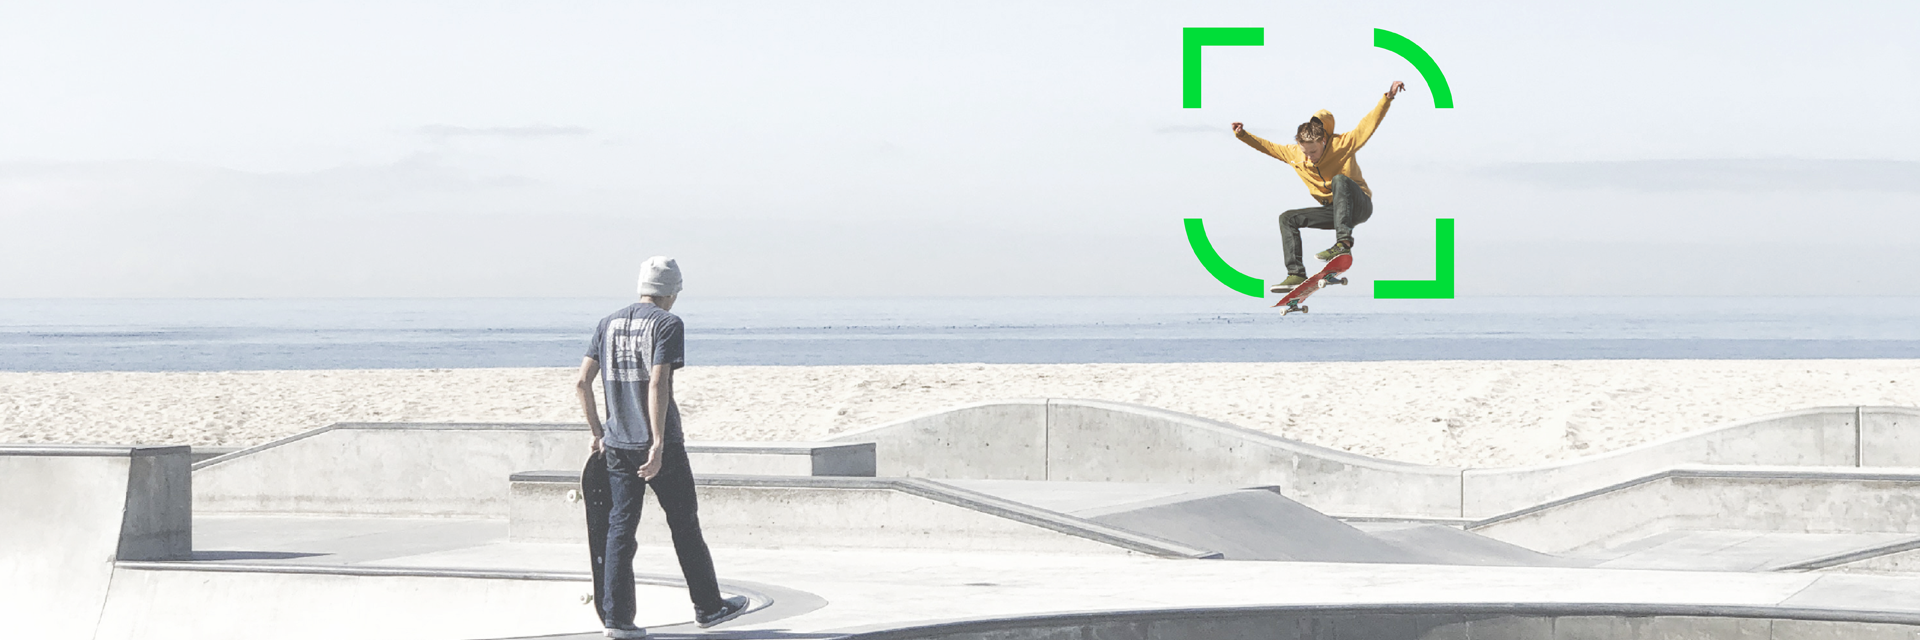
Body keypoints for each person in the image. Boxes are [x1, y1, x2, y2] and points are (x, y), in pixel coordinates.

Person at [575, 256, 748, 639]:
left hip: (617, 443)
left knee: (620, 529)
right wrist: (656, 444)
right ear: (671, 291)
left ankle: (618, 621)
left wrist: (596, 430)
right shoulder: (668, 324)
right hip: (661, 445)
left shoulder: (608, 323)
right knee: (685, 525)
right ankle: (709, 607)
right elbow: (658, 384)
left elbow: (582, 382)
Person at [1232, 80, 1407, 293]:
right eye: (1305, 152)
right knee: (1287, 218)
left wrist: (1387, 98)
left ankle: (1343, 244)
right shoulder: (1295, 153)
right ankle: (1296, 274)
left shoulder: (1342, 144)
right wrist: (1243, 135)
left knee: (1339, 180)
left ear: (1323, 141)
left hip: (1358, 204)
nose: (1309, 158)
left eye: (1313, 152)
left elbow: (1368, 125)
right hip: (1333, 212)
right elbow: (1268, 147)